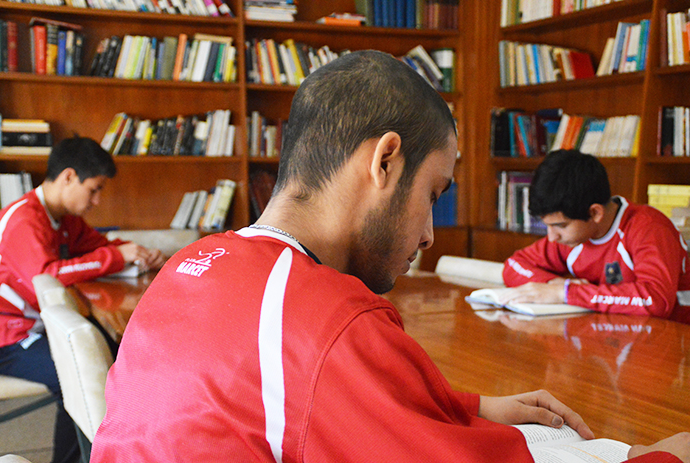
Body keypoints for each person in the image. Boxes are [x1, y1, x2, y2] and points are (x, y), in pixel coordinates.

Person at [91, 52, 689, 462]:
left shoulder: (191, 264)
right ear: (384, 161)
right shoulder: (327, 317)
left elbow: (284, 397)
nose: (430, 235)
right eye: (432, 195)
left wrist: (471, 405)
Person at [0, 136, 166, 463]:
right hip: (5, 336)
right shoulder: (23, 220)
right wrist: (114, 256)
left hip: (33, 326)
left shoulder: (66, 218)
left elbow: (100, 246)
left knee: (115, 356)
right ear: (69, 177)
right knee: (81, 376)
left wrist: (136, 253)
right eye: (94, 189)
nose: (98, 200)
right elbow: (46, 279)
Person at [502, 149, 690, 324]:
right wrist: (553, 283)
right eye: (548, 226)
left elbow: (656, 301)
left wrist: (566, 293)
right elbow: (513, 265)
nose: (551, 238)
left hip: (672, 336)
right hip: (611, 331)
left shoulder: (649, 228)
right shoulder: (573, 235)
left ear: (595, 213)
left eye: (560, 226)